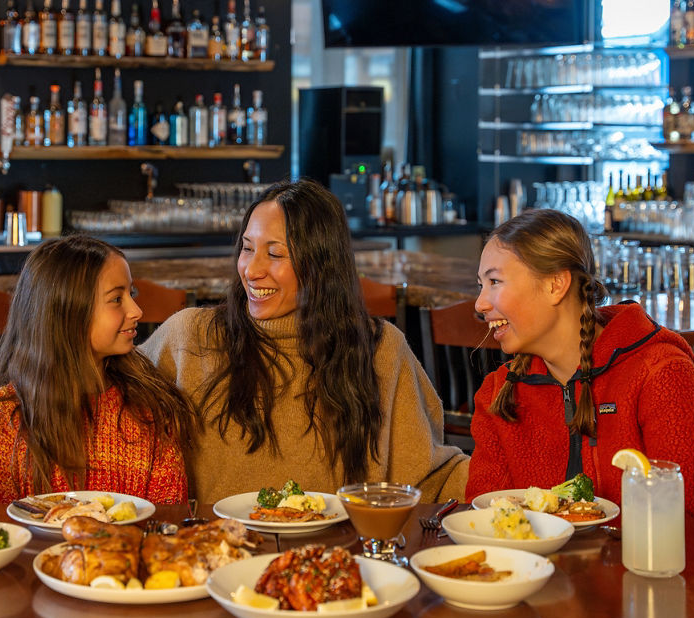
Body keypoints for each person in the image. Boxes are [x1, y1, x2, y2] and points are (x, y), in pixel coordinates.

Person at [139, 178, 469, 503]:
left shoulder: (379, 349)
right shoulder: (189, 336)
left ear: (320, 264)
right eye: (248, 248)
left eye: (275, 254)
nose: (252, 269)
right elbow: (108, 396)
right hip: (218, 549)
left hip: (337, 553)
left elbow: (431, 478)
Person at [465, 209, 694, 539]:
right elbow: (484, 522)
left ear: (555, 284)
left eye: (495, 282)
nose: (480, 303)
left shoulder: (661, 374)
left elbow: (684, 529)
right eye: (481, 285)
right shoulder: (498, 391)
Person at [0, 236, 198, 505]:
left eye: (131, 294)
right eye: (117, 299)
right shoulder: (5, 417)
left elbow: (167, 518)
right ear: (67, 313)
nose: (137, 310)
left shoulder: (150, 409)